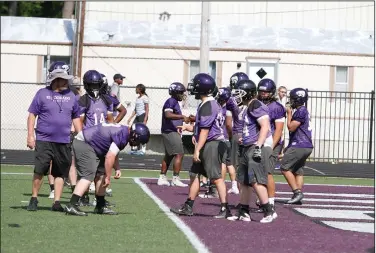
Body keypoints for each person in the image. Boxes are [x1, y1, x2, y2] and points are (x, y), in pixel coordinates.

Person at [170, 73, 233, 219]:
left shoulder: (208, 105)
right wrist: (188, 128)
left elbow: (205, 130)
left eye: (195, 85)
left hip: (211, 143)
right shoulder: (208, 104)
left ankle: (225, 208)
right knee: (195, 175)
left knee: (216, 177)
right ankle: (188, 205)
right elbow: (203, 127)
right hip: (210, 141)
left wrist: (197, 149)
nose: (192, 88)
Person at [65, 122, 150, 216]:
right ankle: (72, 205)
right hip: (85, 143)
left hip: (94, 146)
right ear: (135, 135)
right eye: (138, 141)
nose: (137, 144)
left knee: (101, 175)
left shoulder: (125, 132)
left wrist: (117, 167)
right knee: (88, 175)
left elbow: (114, 151)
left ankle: (100, 206)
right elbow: (109, 157)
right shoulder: (122, 134)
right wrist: (108, 177)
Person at [26, 68, 82, 212]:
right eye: (63, 79)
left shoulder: (71, 95)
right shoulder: (42, 94)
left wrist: (81, 135)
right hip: (44, 139)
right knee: (40, 169)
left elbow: (76, 117)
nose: (66, 81)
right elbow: (32, 115)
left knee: (60, 172)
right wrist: (30, 135)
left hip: (63, 140)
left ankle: (56, 202)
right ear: (55, 80)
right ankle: (34, 198)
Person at [228, 79, 275, 223]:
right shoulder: (246, 106)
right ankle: (244, 212)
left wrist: (258, 146)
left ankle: (268, 211)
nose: (237, 96)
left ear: (247, 94)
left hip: (256, 146)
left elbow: (265, 126)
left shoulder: (255, 104)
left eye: (239, 93)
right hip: (248, 145)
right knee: (244, 181)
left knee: (255, 180)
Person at [78, 70, 115, 206]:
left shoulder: (106, 99)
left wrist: (111, 135)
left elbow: (110, 120)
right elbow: (80, 122)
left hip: (103, 140)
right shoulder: (83, 100)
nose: (94, 88)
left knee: (101, 173)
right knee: (87, 171)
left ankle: (100, 199)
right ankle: (84, 197)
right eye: (91, 85)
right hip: (89, 139)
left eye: (96, 85)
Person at [256, 78, 285, 218]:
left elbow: (279, 130)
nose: (263, 94)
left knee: (266, 172)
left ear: (272, 92)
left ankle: (271, 202)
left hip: (272, 142)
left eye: (266, 92)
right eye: (261, 91)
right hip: (260, 141)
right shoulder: (257, 104)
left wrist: (271, 146)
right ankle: (263, 200)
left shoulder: (277, 107)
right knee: (258, 171)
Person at [280, 88, 313, 204]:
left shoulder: (300, 111)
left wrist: (289, 114)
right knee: (298, 171)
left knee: (284, 167)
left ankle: (297, 192)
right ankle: (297, 196)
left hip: (300, 144)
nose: (291, 102)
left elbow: (291, 127)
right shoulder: (303, 110)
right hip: (306, 145)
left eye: (293, 99)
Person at [157, 82, 190, 187]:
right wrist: (182, 117)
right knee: (179, 153)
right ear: (175, 92)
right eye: (180, 92)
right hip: (170, 131)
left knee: (169, 155)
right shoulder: (171, 101)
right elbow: (168, 114)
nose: (182, 95)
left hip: (170, 130)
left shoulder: (174, 101)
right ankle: (175, 178)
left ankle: (162, 177)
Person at [216, 87, 239, 195]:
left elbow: (228, 124)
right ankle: (234, 185)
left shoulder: (223, 108)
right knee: (229, 163)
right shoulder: (230, 106)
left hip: (224, 136)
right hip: (229, 136)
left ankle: (221, 185)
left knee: (223, 162)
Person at [127, 84, 150, 155]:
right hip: (137, 116)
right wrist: (130, 118)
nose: (135, 90)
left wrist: (145, 119)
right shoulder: (137, 98)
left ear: (140, 89)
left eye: (136, 89)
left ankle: (143, 149)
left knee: (142, 133)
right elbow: (135, 109)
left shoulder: (145, 97)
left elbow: (147, 109)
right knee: (133, 131)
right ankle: (135, 148)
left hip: (142, 116)